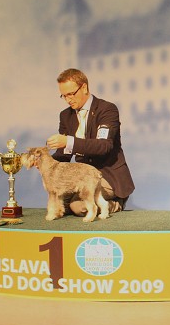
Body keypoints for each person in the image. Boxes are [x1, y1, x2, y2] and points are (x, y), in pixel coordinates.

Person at [46, 68, 135, 215]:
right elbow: (64, 155)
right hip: (81, 176)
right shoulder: (65, 116)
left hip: (107, 174)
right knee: (59, 201)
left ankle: (115, 204)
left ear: (84, 87)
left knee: (79, 206)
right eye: (63, 96)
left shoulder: (107, 109)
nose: (68, 99)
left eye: (71, 94)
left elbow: (103, 146)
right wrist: (46, 162)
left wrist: (68, 141)